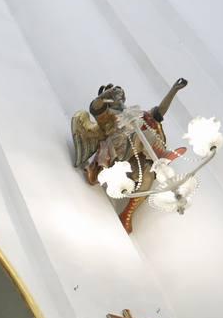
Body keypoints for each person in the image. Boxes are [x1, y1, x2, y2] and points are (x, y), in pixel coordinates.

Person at [71, 78, 188, 232]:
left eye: (120, 94)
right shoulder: (108, 116)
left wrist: (174, 89)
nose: (118, 96)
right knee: (141, 132)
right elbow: (95, 107)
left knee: (147, 175)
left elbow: (159, 112)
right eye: (114, 94)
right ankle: (160, 155)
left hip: (132, 156)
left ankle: (127, 214)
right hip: (114, 151)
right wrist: (103, 96)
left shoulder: (137, 114)